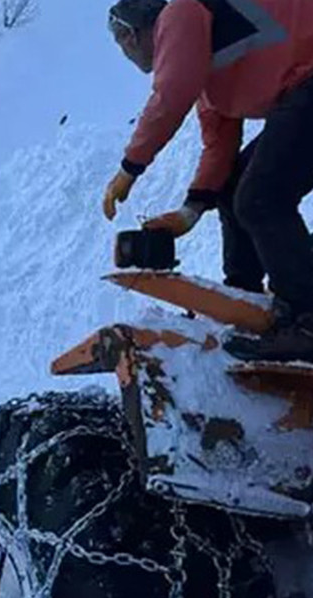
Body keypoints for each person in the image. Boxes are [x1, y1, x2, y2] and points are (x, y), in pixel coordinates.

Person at [102, 0, 313, 361]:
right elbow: (220, 148)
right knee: (235, 188)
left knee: (260, 198)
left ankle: (307, 321)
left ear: (132, 34)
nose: (124, 51)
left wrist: (129, 169)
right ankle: (246, 297)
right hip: (302, 92)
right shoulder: (207, 73)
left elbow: (171, 93)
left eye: (122, 40)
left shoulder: (181, 12)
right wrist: (190, 212)